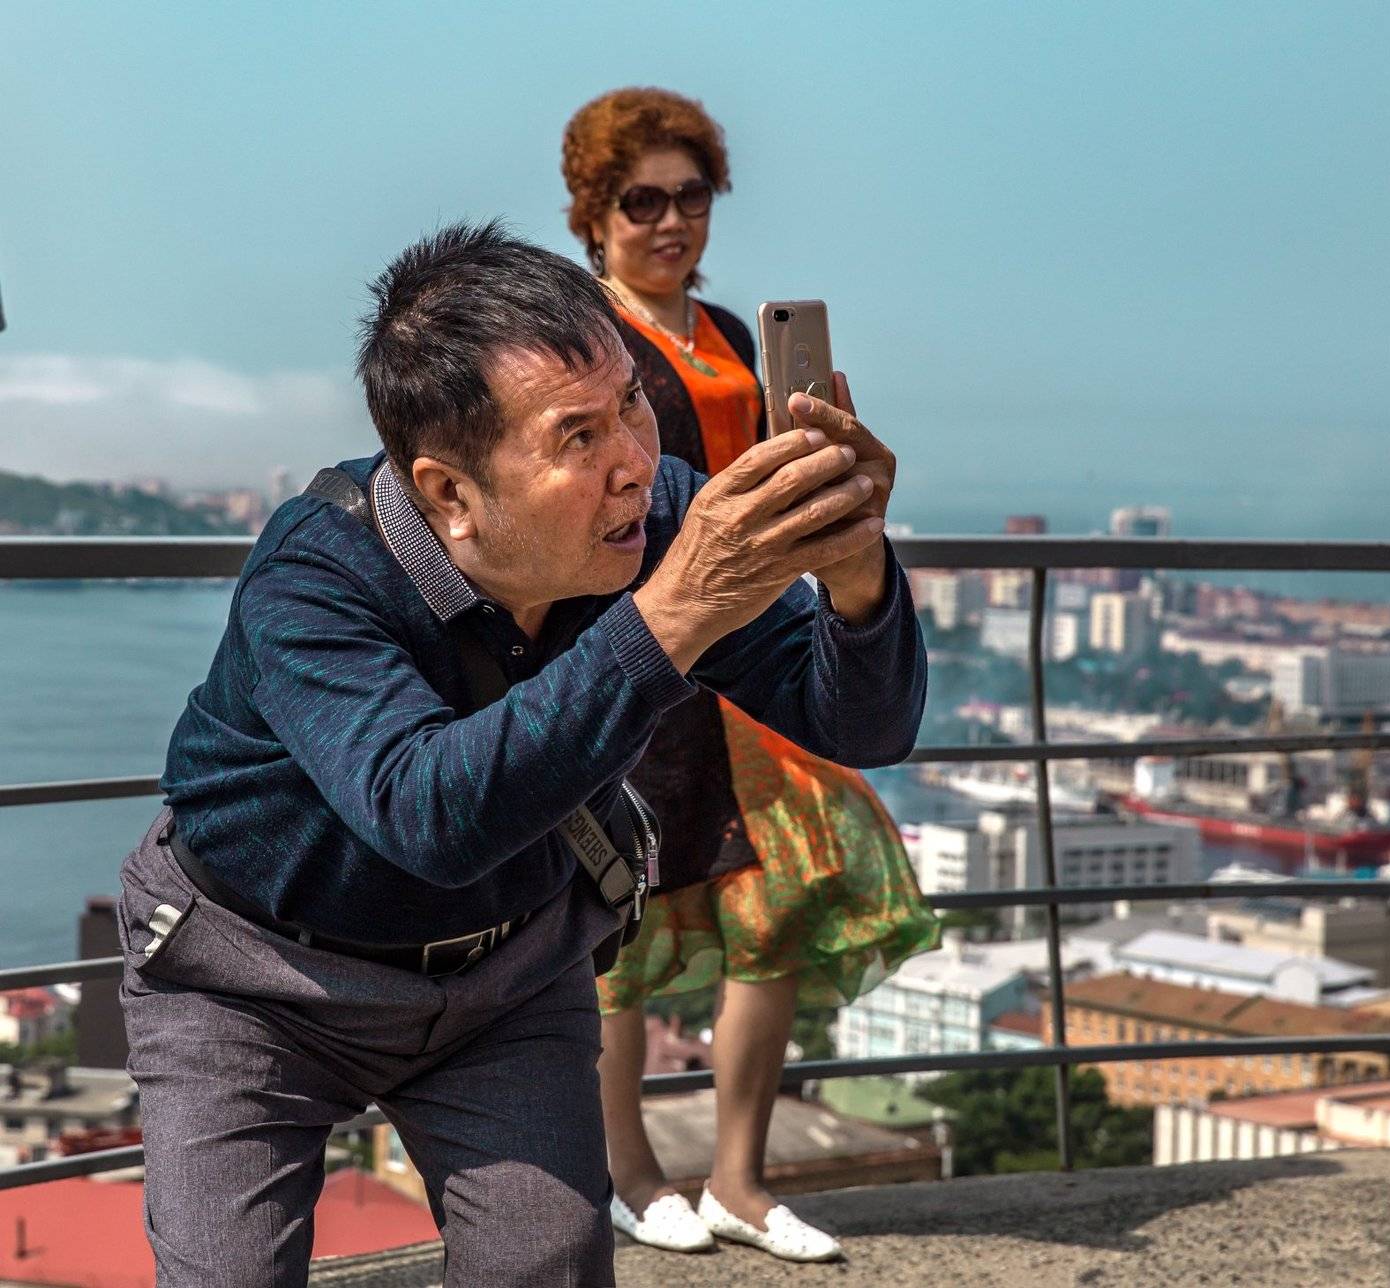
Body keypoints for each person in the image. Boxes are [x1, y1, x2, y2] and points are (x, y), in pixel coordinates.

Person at [115, 220, 926, 1287]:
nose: (635, 462)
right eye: (578, 437)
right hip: (253, 977)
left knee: (547, 1262)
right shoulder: (315, 574)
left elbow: (863, 727)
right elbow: (429, 816)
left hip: (505, 973)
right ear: (449, 491)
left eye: (632, 402)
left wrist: (858, 576)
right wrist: (677, 612)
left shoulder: (653, 522)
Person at [562, 87, 939, 1263]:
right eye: (643, 200)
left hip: (754, 649)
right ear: (594, 213)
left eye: (692, 197)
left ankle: (738, 1176)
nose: (672, 221)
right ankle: (630, 1172)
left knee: (777, 896)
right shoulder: (582, 335)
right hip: (646, 640)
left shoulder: (730, 330)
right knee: (620, 923)